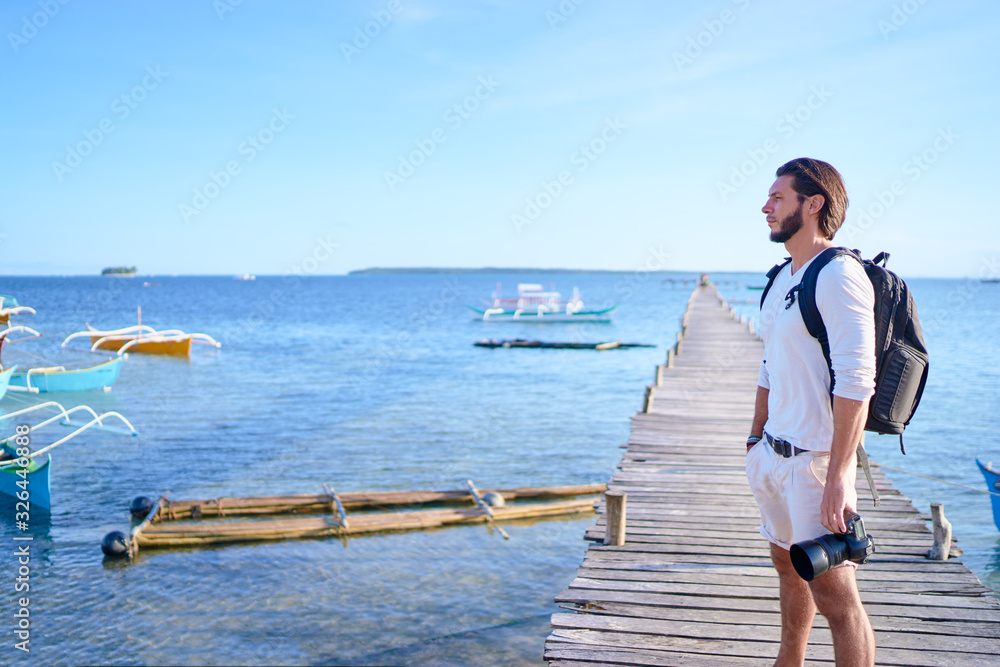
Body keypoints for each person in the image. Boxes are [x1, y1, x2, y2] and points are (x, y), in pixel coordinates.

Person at [746, 158, 876, 666]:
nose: (766, 206)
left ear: (813, 203)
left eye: (777, 198)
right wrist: (755, 440)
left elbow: (856, 383)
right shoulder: (782, 277)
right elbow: (768, 366)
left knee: (837, 600)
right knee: (786, 566)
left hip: (816, 463)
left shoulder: (840, 274)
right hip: (773, 456)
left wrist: (838, 478)